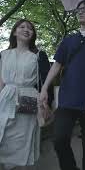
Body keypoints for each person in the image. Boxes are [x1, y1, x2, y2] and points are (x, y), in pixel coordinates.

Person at [39, 0, 85, 170]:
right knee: (59, 139)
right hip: (67, 99)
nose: (80, 12)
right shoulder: (69, 40)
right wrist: (44, 88)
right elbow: (56, 66)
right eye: (78, 10)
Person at [0, 19, 51, 170]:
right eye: (22, 27)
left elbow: (45, 82)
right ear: (15, 32)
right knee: (3, 133)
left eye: (30, 28)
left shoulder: (38, 55)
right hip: (6, 96)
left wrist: (45, 103)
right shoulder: (4, 54)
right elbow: (1, 81)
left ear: (33, 34)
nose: (26, 29)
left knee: (22, 138)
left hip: (28, 96)